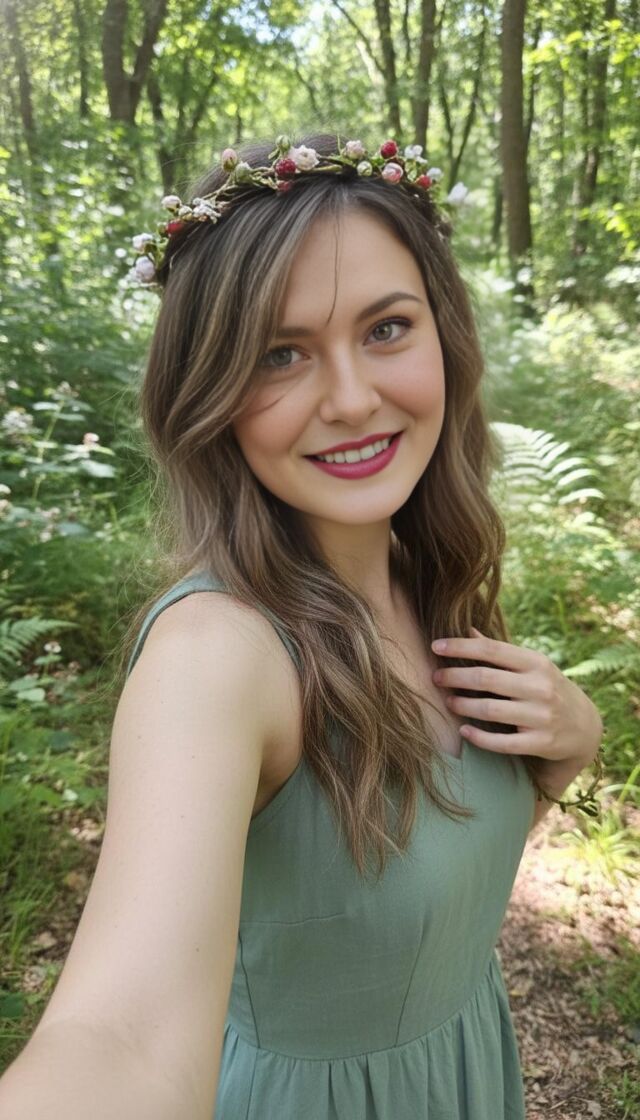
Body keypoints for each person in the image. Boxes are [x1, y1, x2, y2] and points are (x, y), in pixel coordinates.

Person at [0, 130, 603, 1120]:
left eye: (386, 328)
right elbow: (124, 1039)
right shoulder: (217, 656)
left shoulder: (425, 582)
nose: (353, 400)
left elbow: (412, 886)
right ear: (211, 392)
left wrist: (565, 751)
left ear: (443, 335)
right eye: (280, 354)